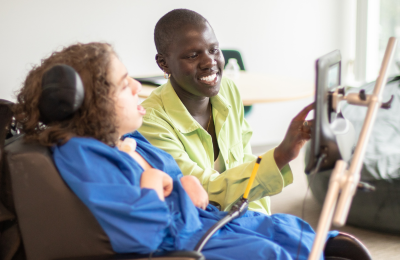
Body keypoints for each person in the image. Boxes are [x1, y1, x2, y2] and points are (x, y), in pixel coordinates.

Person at [14, 42, 335, 259]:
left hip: (209, 220)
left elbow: (184, 186)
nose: (138, 87)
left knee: (299, 233)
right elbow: (140, 234)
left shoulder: (131, 141)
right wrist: (153, 182)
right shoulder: (84, 155)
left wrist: (185, 184)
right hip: (185, 243)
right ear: (95, 104)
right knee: (270, 254)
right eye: (125, 85)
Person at [139, 9, 313, 215]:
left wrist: (260, 219)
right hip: (201, 224)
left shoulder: (227, 90)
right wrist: (280, 156)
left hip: (241, 215)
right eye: (193, 55)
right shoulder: (150, 121)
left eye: (214, 50)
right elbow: (201, 191)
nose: (209, 62)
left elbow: (244, 160)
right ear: (164, 63)